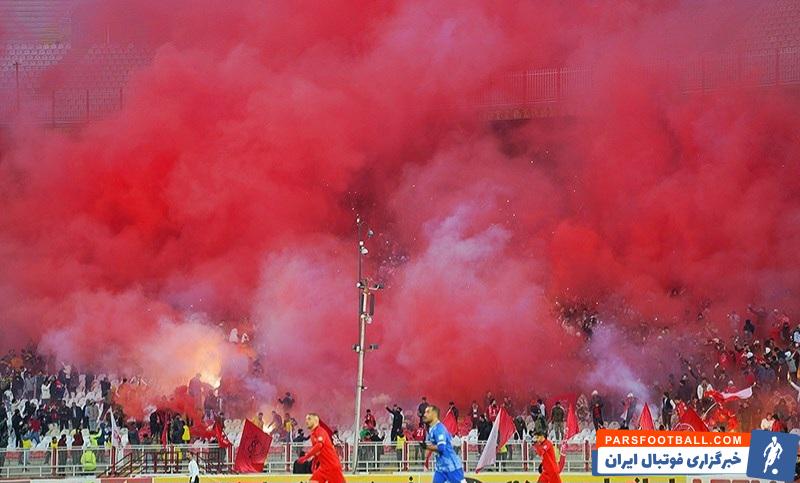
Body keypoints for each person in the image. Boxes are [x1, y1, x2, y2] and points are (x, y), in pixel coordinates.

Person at [422, 405, 466, 483]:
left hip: (452, 467)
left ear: (434, 414)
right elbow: (433, 444)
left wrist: (427, 447)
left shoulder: (439, 429)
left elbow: (441, 447)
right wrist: (427, 457)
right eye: (425, 412)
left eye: (428, 412)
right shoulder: (432, 429)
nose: (425, 414)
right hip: (440, 468)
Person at [297, 413, 345, 483]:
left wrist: (306, 457)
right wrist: (314, 462)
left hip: (332, 466)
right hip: (323, 467)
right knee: (313, 481)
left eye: (309, 419)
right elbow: (318, 452)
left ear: (316, 421)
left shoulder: (320, 431)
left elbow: (319, 445)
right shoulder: (313, 435)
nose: (306, 421)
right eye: (306, 419)